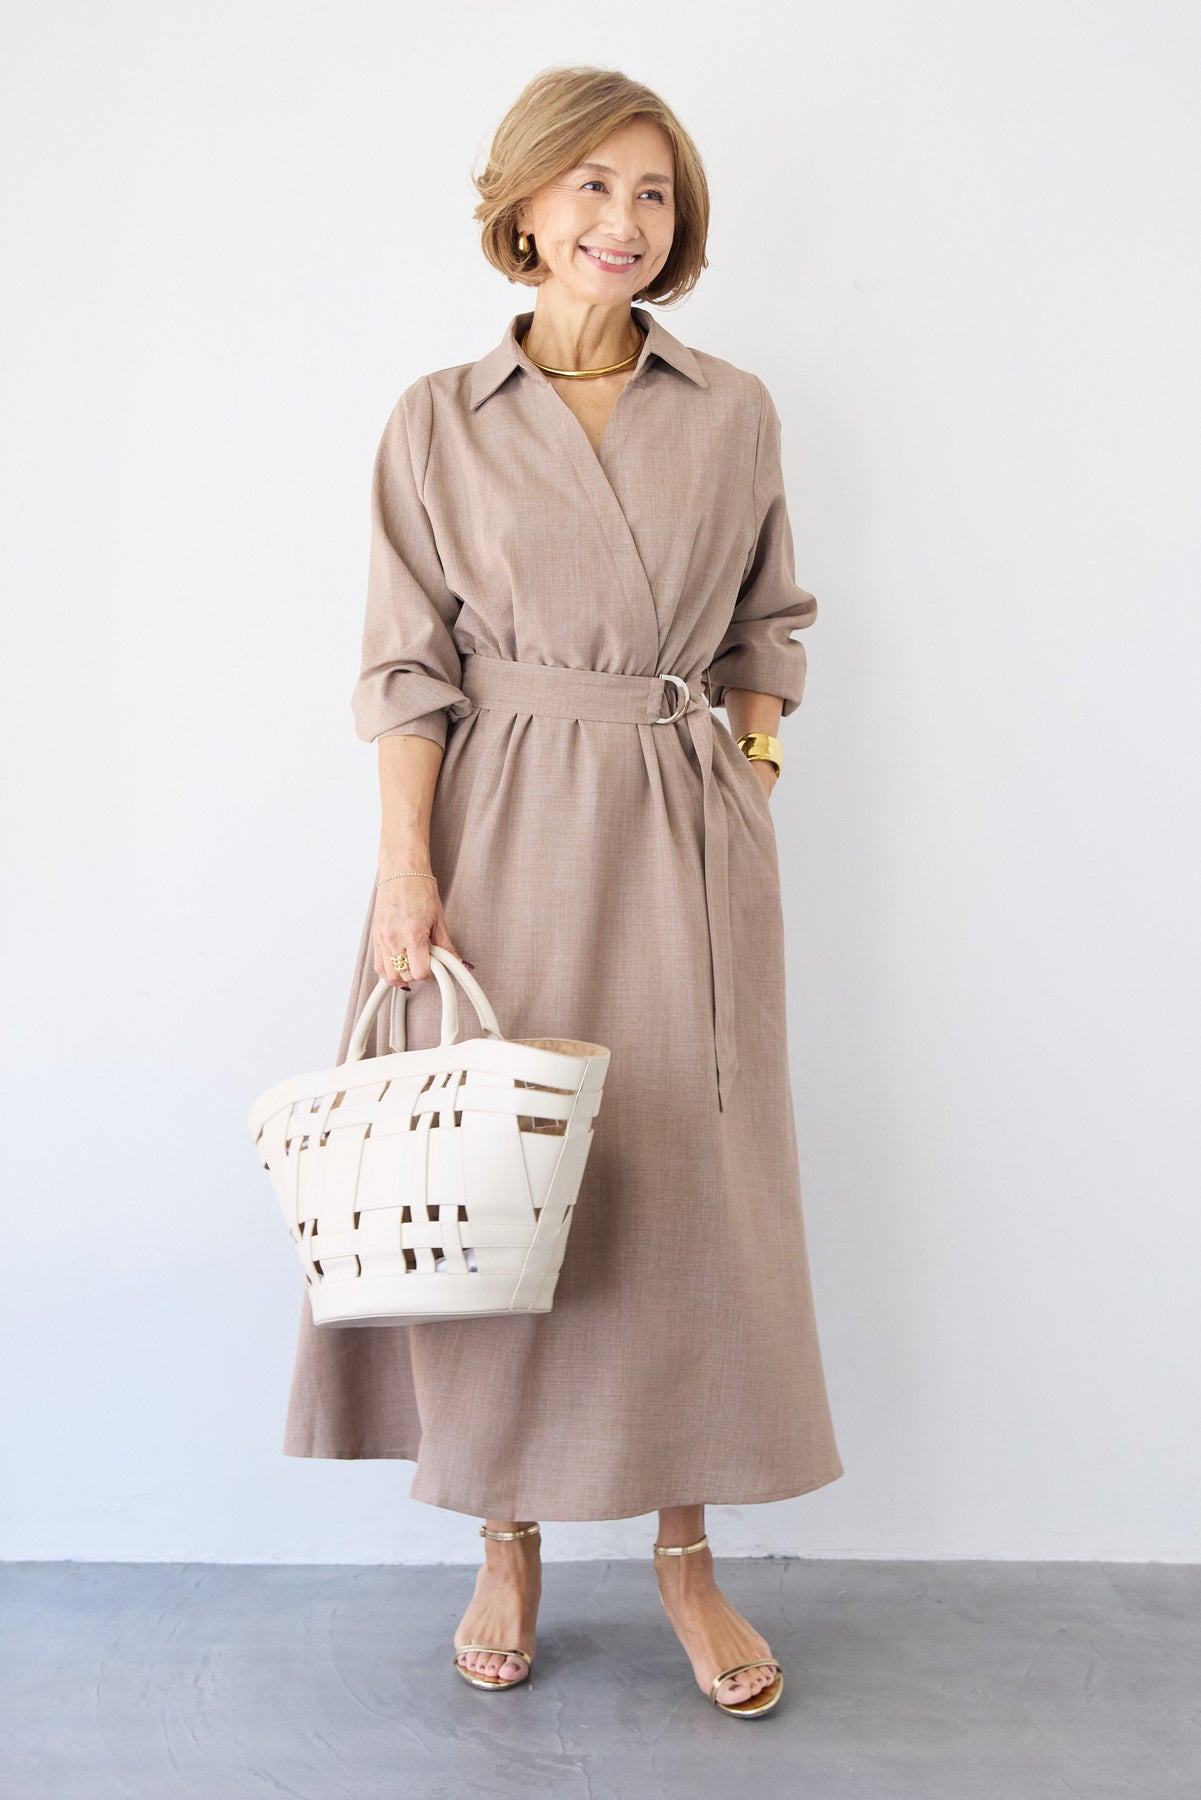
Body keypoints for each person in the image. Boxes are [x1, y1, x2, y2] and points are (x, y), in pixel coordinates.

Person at [283, 64, 844, 1718]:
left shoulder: (729, 407)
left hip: (681, 832)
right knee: (500, 1187)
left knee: (687, 1200)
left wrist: (746, 773)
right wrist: (405, 872)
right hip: (500, 831)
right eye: (591, 185)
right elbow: (404, 669)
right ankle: (505, 1535)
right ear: (523, 207)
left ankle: (686, 1553)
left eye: (652, 193)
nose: (623, 220)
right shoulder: (437, 420)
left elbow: (768, 623)